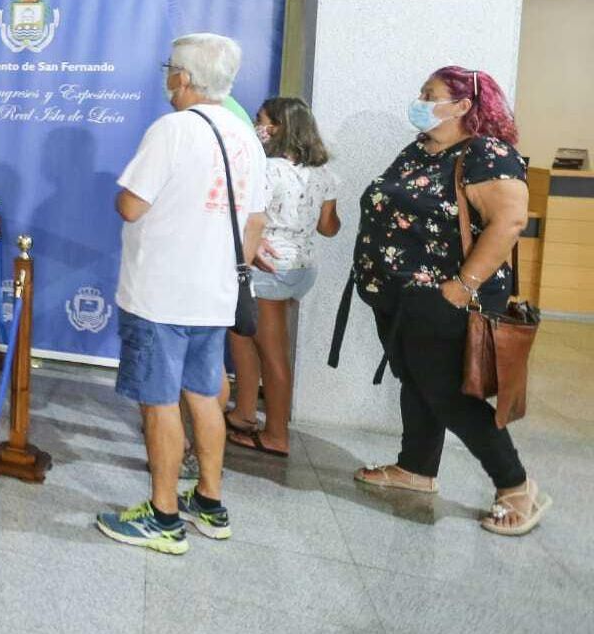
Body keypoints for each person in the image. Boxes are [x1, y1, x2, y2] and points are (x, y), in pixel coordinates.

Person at [349, 67, 550, 535]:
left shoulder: (487, 153)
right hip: (399, 297)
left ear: (463, 105)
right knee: (416, 380)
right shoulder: (420, 149)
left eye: (430, 94)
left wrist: (461, 286)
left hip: (449, 299)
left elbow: (509, 221)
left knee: (450, 394)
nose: (420, 101)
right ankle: (416, 469)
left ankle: (516, 485)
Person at [97, 33, 267, 555]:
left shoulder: (172, 129)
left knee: (159, 402)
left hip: (161, 293)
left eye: (170, 68)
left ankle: (164, 515)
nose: (168, 77)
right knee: (204, 394)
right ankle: (209, 502)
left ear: (184, 77)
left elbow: (131, 206)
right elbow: (255, 223)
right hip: (214, 293)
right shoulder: (246, 137)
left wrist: (123, 194)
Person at [227, 97, 340, 457]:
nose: (257, 126)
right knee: (242, 334)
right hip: (301, 269)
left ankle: (276, 434)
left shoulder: (268, 169)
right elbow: (329, 228)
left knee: (272, 352)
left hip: (268, 269)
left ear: (277, 127)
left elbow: (251, 219)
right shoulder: (324, 174)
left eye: (260, 120)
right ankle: (244, 413)